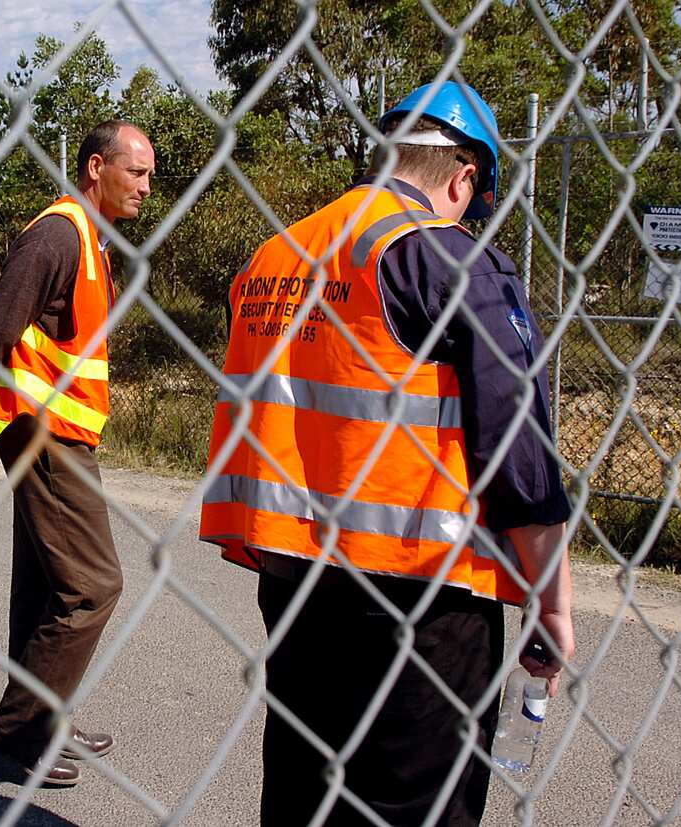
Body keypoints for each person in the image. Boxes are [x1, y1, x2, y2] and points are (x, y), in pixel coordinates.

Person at [198, 82, 575, 825]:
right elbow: (519, 452)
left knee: (305, 788)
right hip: (419, 591)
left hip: (295, 572)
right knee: (414, 806)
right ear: (463, 177)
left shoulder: (278, 253)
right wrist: (550, 601)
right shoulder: (447, 257)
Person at [0, 120, 155, 787]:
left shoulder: (89, 239)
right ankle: (18, 729)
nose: (147, 186)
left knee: (44, 580)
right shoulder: (59, 233)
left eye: (150, 174)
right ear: (97, 167)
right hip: (43, 433)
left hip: (63, 431)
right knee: (93, 583)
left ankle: (45, 717)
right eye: (137, 171)